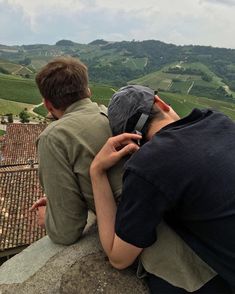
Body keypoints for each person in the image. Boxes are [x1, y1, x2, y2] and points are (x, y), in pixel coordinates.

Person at [90, 85, 235, 293]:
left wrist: (96, 171)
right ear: (161, 103)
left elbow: (118, 257)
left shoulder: (148, 164)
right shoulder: (217, 120)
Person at [30, 56, 123, 245]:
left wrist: (48, 217)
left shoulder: (54, 137)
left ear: (48, 104)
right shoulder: (111, 114)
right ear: (88, 91)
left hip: (132, 240)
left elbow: (66, 231)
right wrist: (57, 199)